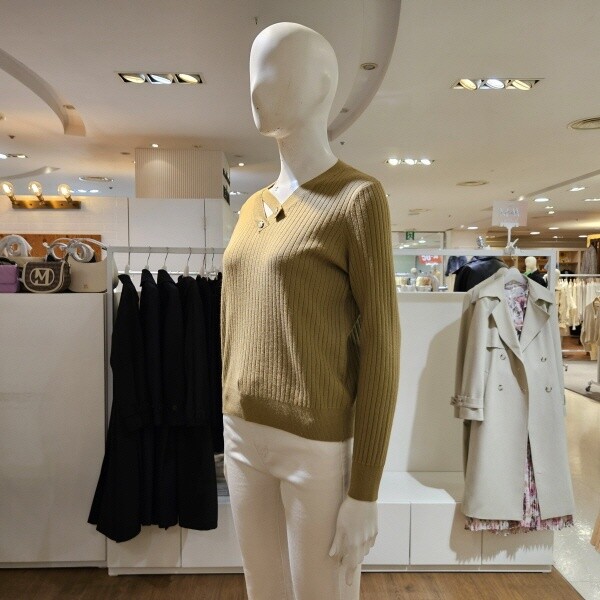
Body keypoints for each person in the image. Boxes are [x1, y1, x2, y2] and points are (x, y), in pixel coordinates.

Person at [220, 22, 400, 600]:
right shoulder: (252, 206)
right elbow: (233, 319)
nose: (256, 88)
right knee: (261, 588)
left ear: (323, 84)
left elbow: (382, 346)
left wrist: (365, 489)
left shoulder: (357, 198)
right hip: (241, 433)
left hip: (314, 444)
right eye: (253, 72)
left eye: (275, 72)